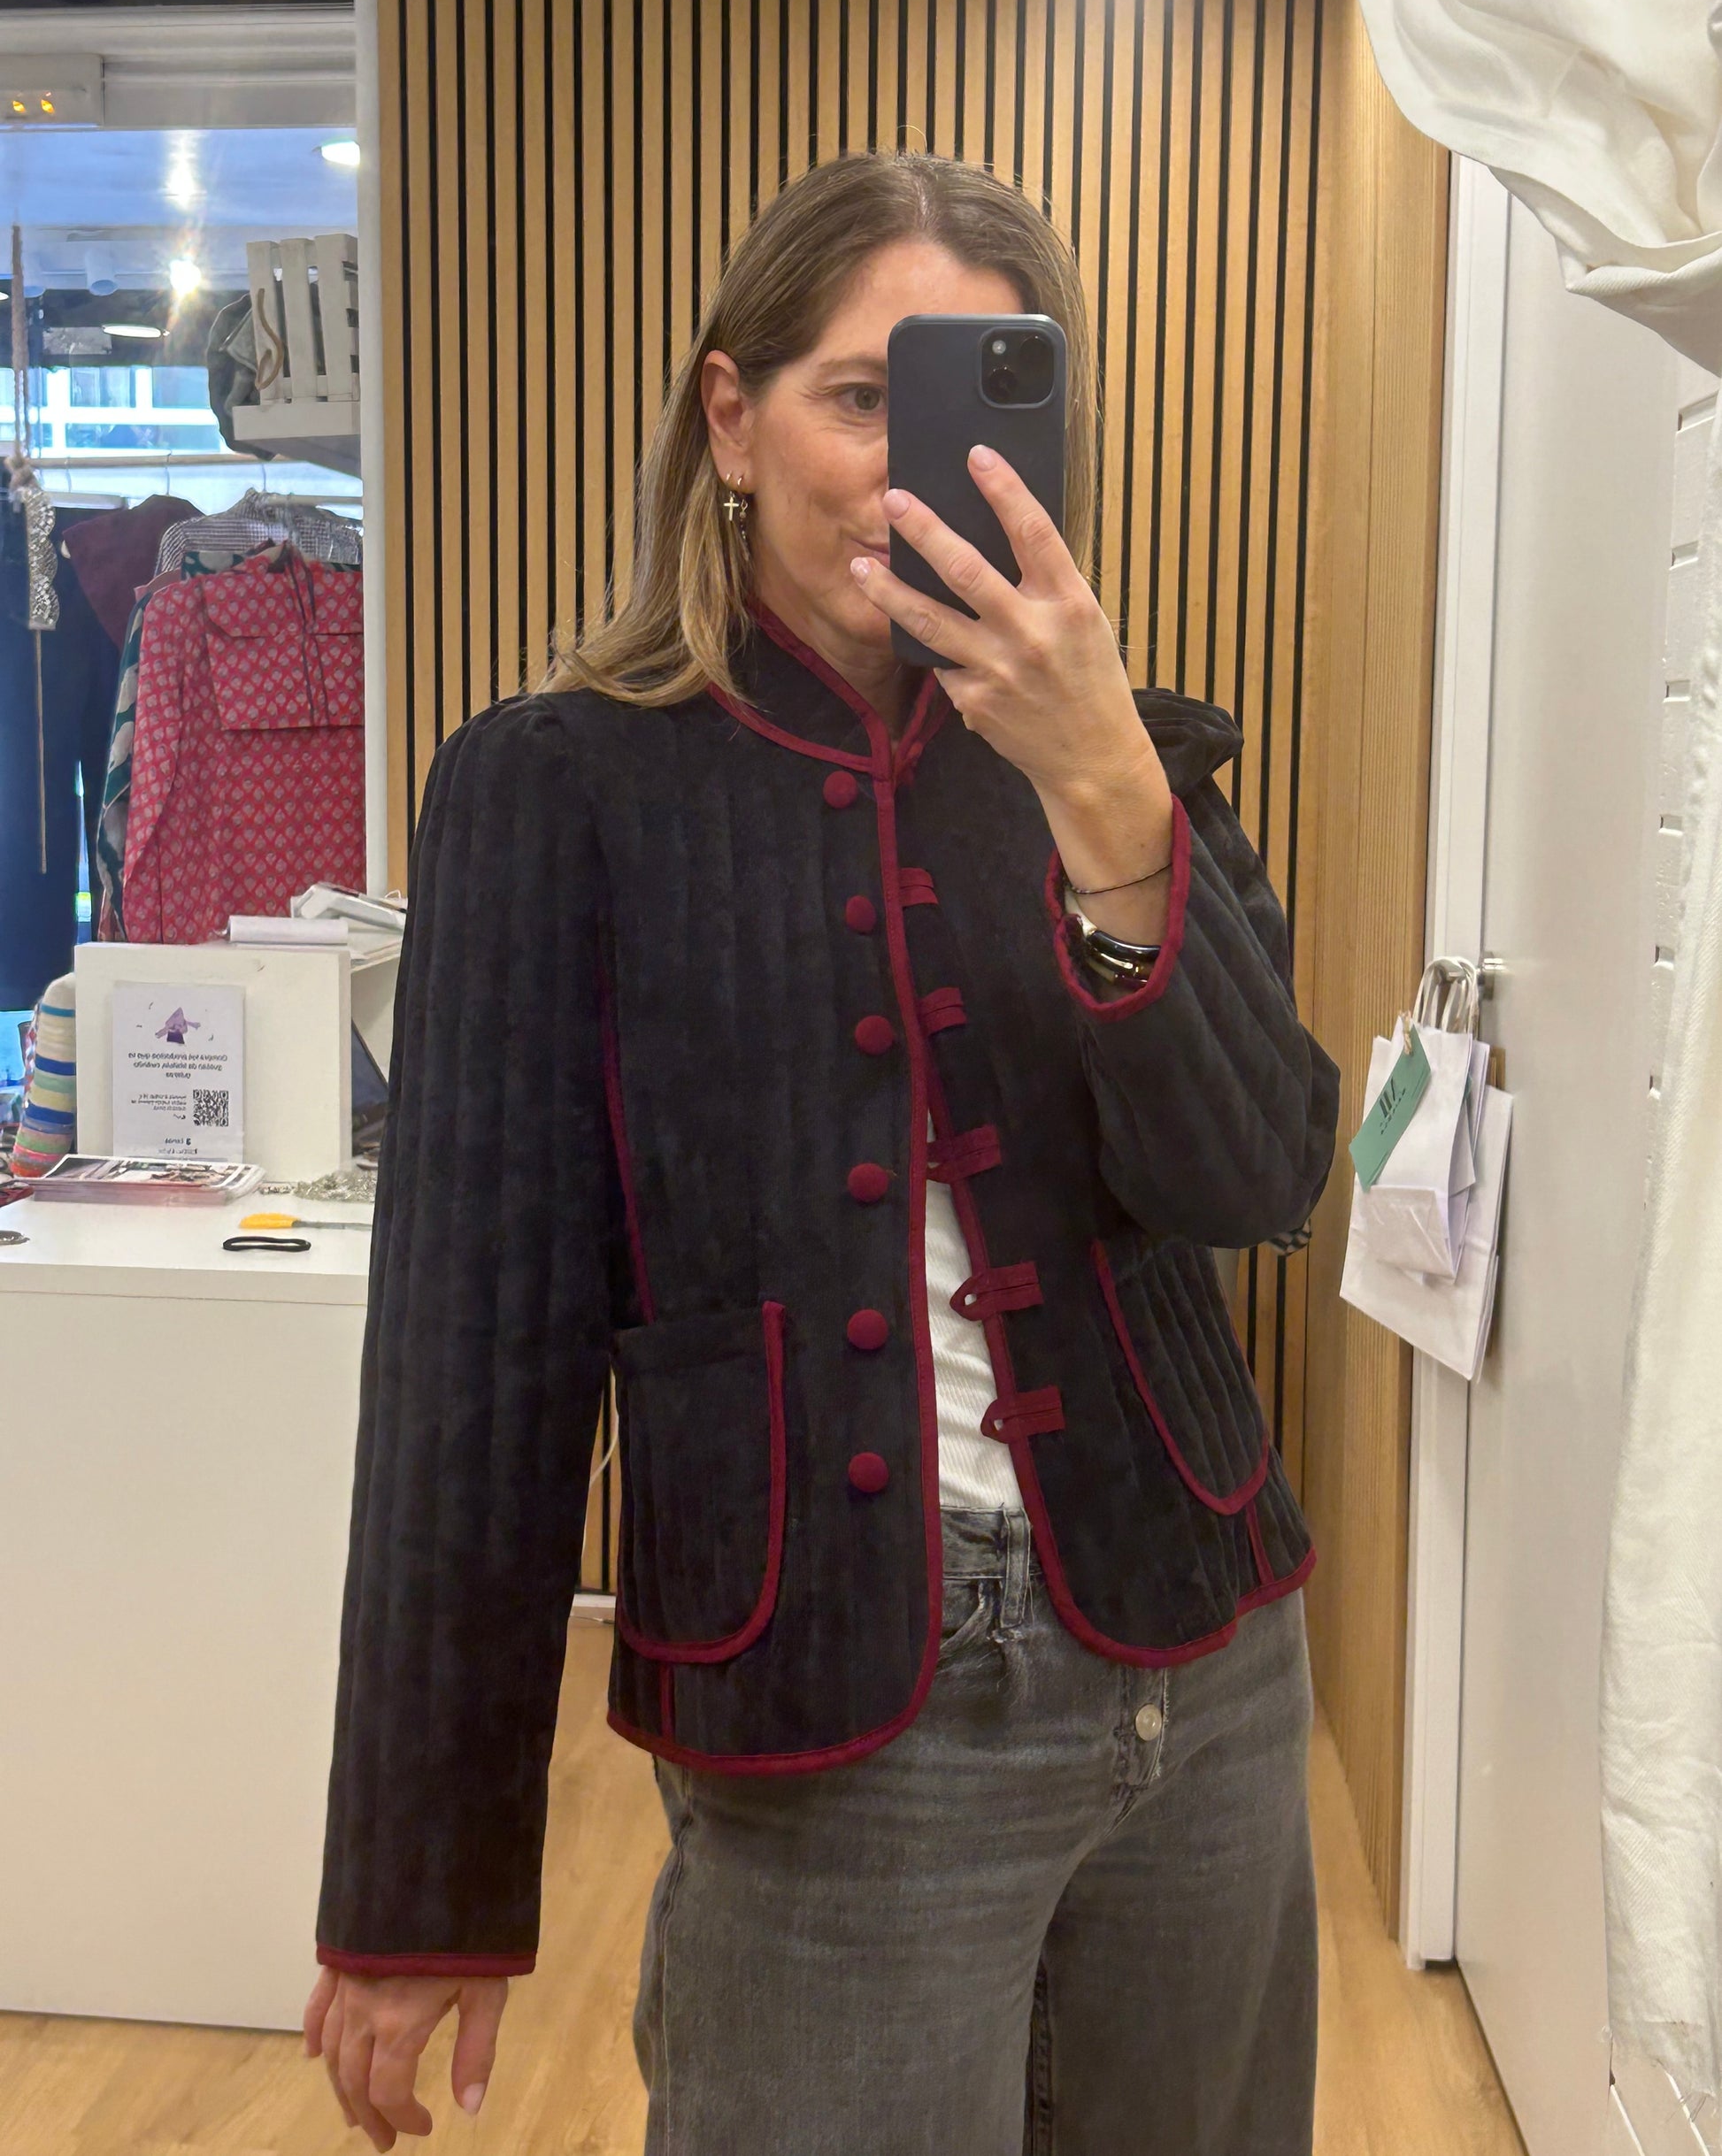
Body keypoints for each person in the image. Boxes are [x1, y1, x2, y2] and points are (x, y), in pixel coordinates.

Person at [304, 150, 1341, 2156]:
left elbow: (1260, 1176)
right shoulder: (560, 790)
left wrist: (1108, 793)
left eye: (966, 401)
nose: (902, 466)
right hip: (844, 1710)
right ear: (730, 418)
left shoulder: (1122, 757)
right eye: (859, 396)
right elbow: (470, 1361)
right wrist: (422, 1881)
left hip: (1202, 1666)